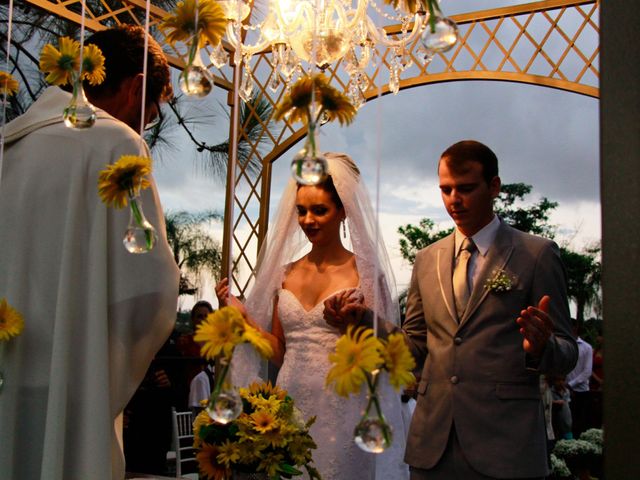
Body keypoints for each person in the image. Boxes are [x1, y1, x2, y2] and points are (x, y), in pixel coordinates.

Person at [0, 25, 179, 480]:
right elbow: (150, 289)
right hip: (73, 384)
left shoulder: (9, 142)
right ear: (138, 87)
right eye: (154, 112)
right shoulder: (116, 142)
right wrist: (101, 358)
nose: (146, 124)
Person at [216, 152, 409, 479]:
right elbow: (279, 350)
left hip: (346, 408)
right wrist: (244, 320)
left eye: (320, 210)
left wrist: (356, 323)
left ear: (343, 211)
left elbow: (391, 353)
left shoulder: (365, 274)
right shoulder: (285, 274)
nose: (308, 220)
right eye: (301, 211)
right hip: (290, 406)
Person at [400, 140, 578, 479]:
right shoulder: (426, 259)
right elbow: (415, 347)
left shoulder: (537, 254)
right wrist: (366, 323)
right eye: (446, 189)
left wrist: (542, 348)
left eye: (465, 188)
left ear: (494, 186)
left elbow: (567, 352)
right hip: (432, 444)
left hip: (506, 447)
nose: (454, 199)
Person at [566, 319, 593, 438]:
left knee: (579, 422)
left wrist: (570, 384)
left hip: (580, 391)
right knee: (566, 423)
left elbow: (587, 372)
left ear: (575, 328)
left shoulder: (586, 348)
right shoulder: (564, 346)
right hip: (563, 390)